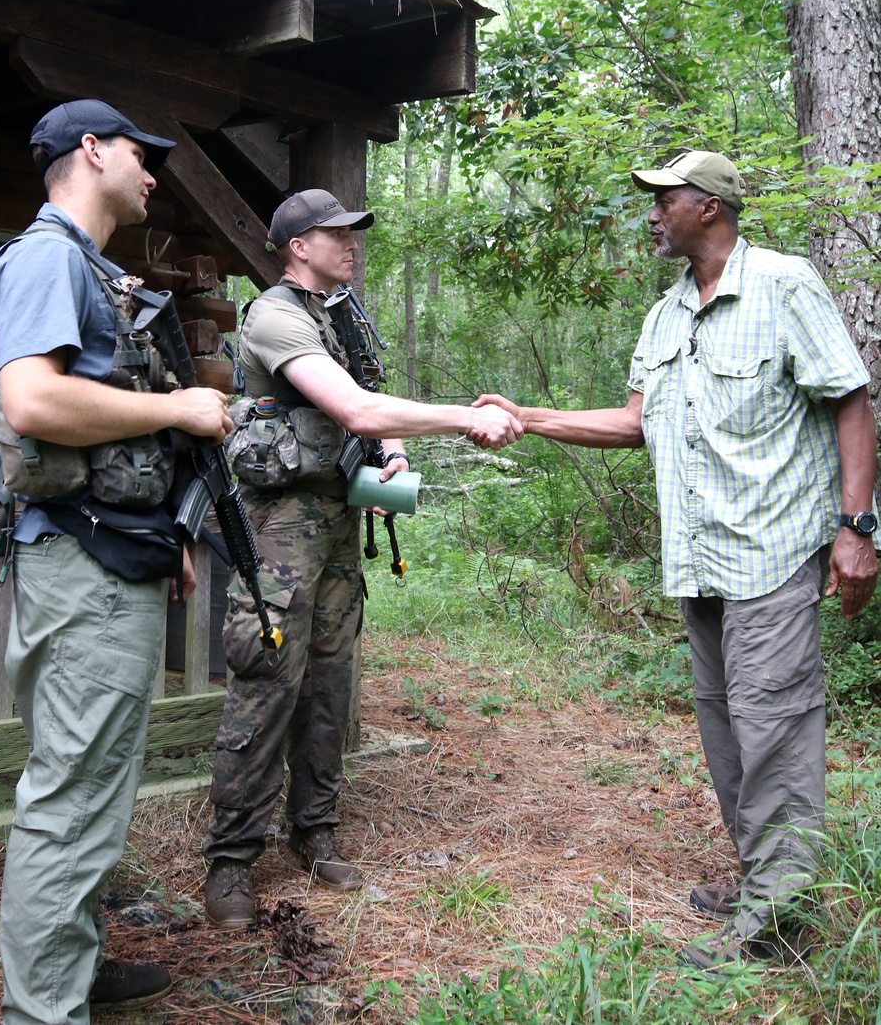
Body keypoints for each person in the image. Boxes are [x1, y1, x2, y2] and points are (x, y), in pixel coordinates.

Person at [474, 150, 878, 969]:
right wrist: (532, 415)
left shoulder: (784, 284)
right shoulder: (664, 316)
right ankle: (764, 876)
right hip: (699, 562)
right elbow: (635, 422)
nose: (651, 213)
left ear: (711, 207)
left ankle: (775, 922)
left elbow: (850, 398)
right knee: (726, 728)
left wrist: (858, 527)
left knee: (774, 729)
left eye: (665, 198)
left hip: (771, 552)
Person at [202, 188, 523, 927]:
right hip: (281, 526)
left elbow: (371, 402)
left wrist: (396, 454)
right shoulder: (276, 315)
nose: (352, 243)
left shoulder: (339, 311)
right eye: (335, 233)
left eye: (353, 232)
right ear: (296, 246)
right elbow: (353, 408)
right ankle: (231, 862)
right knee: (265, 678)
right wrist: (463, 418)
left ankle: (314, 829)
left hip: (339, 520)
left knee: (328, 680)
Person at [0, 99, 233, 1024]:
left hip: (110, 558)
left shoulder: (95, 270)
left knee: (95, 791)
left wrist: (163, 533)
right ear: (90, 149)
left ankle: (68, 973)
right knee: (72, 796)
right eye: (140, 152)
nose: (154, 171)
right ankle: (41, 1011)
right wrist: (180, 411)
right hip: (77, 569)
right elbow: (36, 403)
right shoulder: (48, 257)